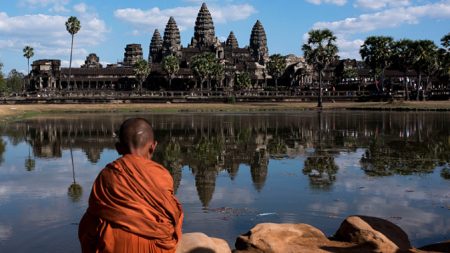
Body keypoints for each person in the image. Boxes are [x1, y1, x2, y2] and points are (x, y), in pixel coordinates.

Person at [79, 118, 183, 253]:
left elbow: (89, 224)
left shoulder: (107, 175)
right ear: (153, 146)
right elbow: (174, 216)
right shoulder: (162, 175)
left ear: (118, 148)